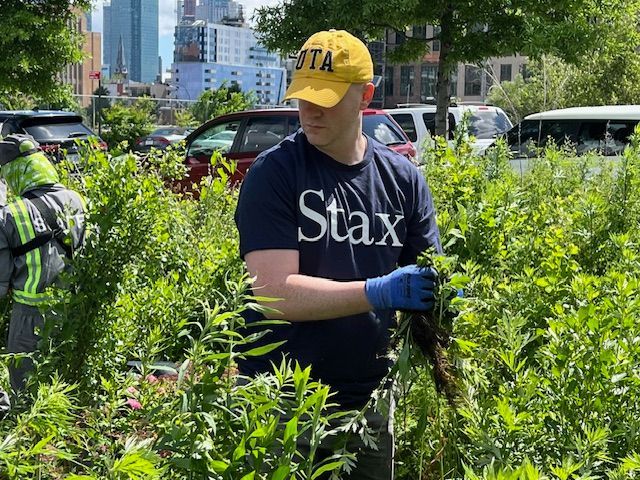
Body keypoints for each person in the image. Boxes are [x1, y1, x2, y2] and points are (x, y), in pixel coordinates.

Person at [234, 29, 442, 478]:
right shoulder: (275, 174)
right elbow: (272, 294)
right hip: (283, 401)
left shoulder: (402, 179)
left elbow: (429, 272)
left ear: (365, 96)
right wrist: (376, 292)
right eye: (303, 96)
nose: (309, 111)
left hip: (369, 403)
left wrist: (443, 297)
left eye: (325, 97)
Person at [0, 134, 86, 416]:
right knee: (62, 377)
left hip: (29, 313)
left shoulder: (11, 214)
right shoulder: (76, 200)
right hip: (71, 308)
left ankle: (26, 436)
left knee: (23, 382)